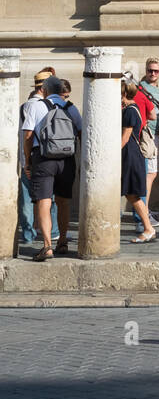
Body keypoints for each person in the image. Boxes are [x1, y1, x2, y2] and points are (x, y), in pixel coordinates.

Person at [20, 74, 81, 260]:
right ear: (61, 91)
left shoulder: (36, 105)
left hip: (44, 158)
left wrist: (28, 161)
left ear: (44, 90)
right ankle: (62, 240)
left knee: (44, 201)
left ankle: (47, 246)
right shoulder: (71, 107)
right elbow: (81, 132)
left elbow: (28, 136)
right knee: (63, 201)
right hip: (67, 159)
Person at [18, 68, 58, 247]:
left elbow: (26, 136)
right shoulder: (51, 105)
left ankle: (28, 234)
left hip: (35, 158)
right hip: (53, 157)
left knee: (29, 197)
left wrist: (26, 161)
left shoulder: (28, 106)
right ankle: (54, 232)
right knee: (49, 198)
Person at [137, 56, 159, 228]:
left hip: (154, 133)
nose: (153, 73)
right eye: (150, 70)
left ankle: (145, 210)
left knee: (151, 173)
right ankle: (142, 214)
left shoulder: (155, 89)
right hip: (147, 134)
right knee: (149, 174)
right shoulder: (142, 87)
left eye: (156, 70)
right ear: (146, 71)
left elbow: (156, 113)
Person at [121, 81, 156, 243]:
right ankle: (148, 227)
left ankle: (148, 228)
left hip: (131, 155)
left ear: (123, 94)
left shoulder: (130, 111)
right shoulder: (130, 109)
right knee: (130, 193)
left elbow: (125, 137)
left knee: (132, 193)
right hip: (130, 154)